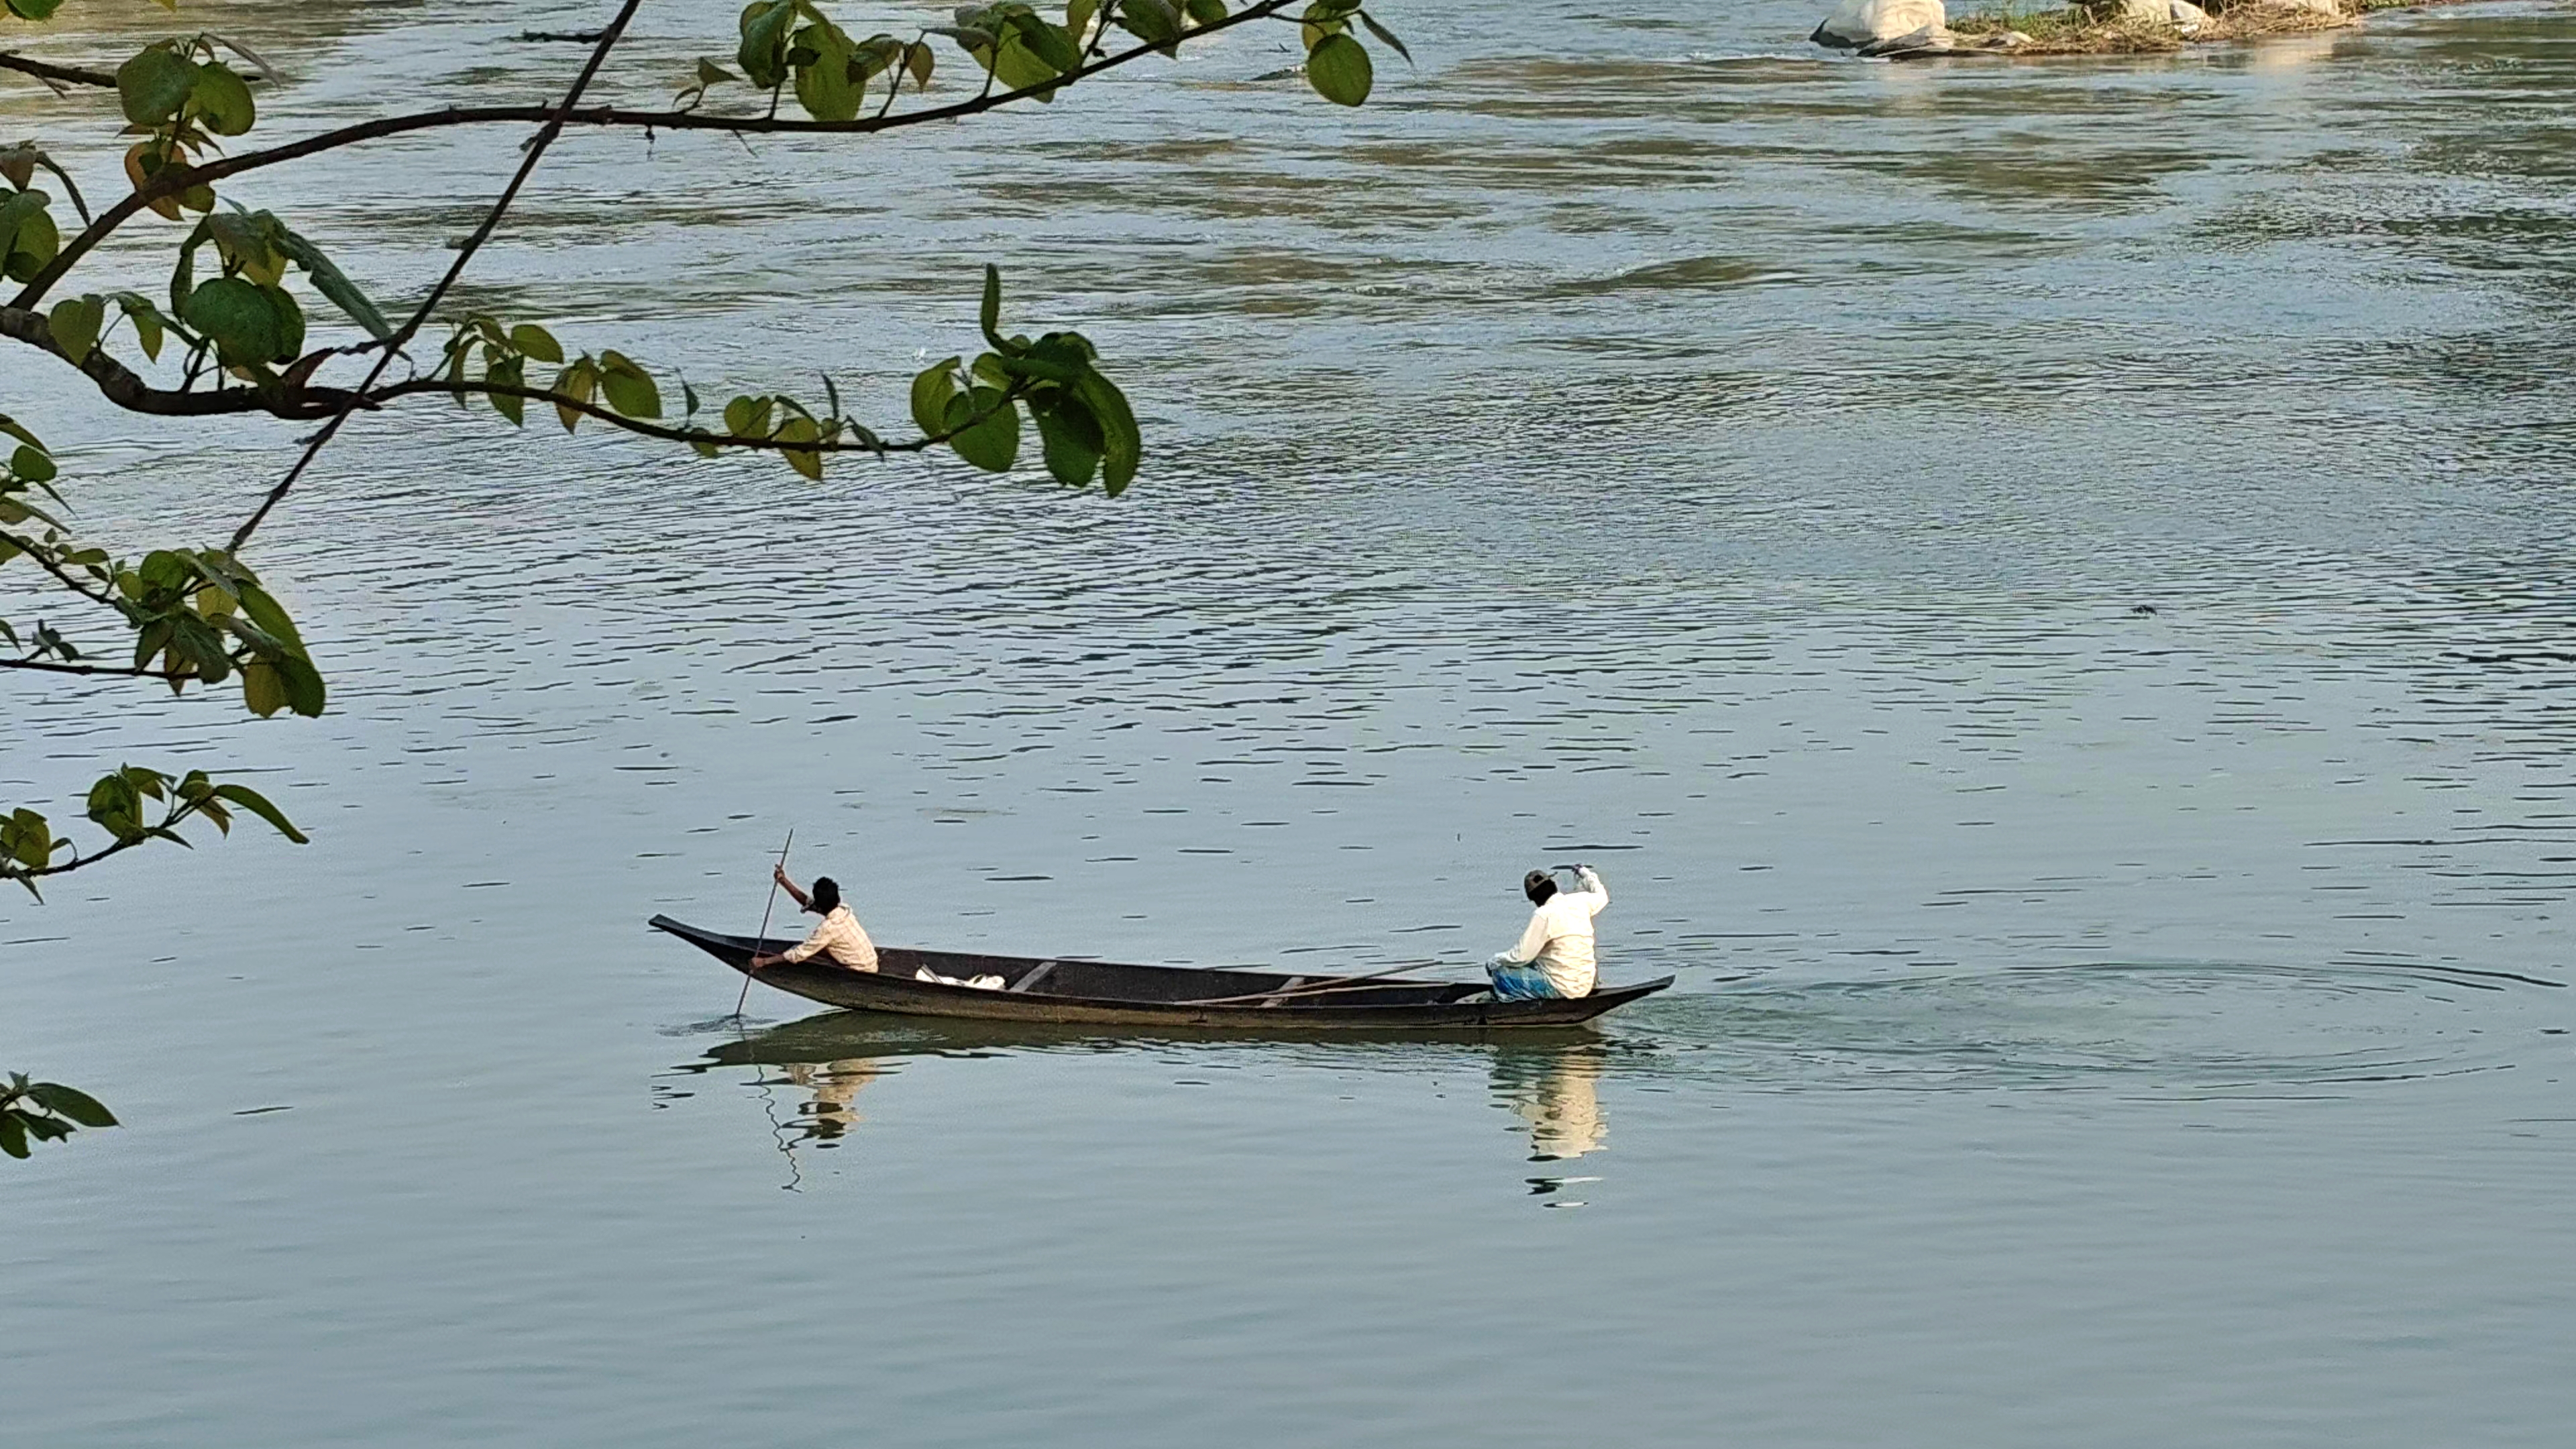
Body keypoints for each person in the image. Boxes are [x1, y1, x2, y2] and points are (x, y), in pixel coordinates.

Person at [1487, 863, 1609, 1000]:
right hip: (1585, 985)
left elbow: (1521, 956)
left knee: (1500, 973)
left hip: (1560, 988)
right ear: (1553, 885)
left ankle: (1512, 1003)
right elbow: (1601, 895)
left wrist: (1495, 961)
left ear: (1534, 899)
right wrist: (1585, 873)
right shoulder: (1580, 902)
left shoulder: (1543, 915)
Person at [748, 865, 879, 972]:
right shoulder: (845, 910)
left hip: (861, 970)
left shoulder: (827, 928)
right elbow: (808, 902)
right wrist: (784, 881)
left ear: (820, 907)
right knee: (819, 948)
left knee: (802, 951)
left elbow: (799, 954)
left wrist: (764, 962)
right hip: (871, 962)